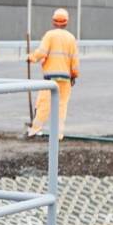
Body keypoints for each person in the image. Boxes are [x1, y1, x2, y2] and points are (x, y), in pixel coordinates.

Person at [26, 8, 79, 139]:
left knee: (44, 104)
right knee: (61, 107)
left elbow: (42, 52)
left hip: (50, 78)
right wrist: (74, 75)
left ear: (53, 21)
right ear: (66, 22)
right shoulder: (71, 38)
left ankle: (34, 130)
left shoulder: (49, 35)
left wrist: (31, 58)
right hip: (65, 79)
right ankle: (58, 134)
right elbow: (75, 60)